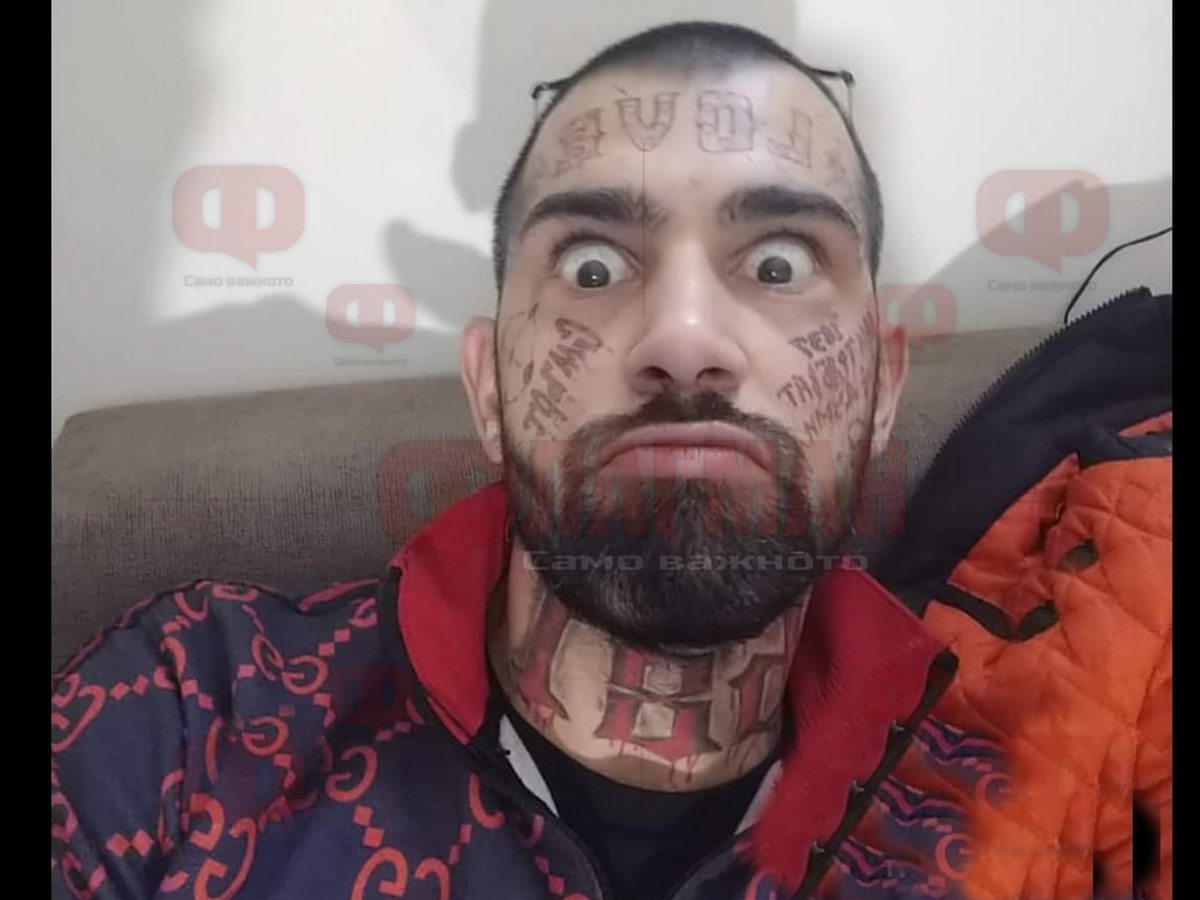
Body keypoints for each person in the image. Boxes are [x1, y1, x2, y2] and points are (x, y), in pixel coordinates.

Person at [51, 20, 1169, 900]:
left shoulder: (1022, 805)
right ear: (488, 387)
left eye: (779, 262)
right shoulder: (189, 717)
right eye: (591, 266)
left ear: (882, 388)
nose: (682, 338)